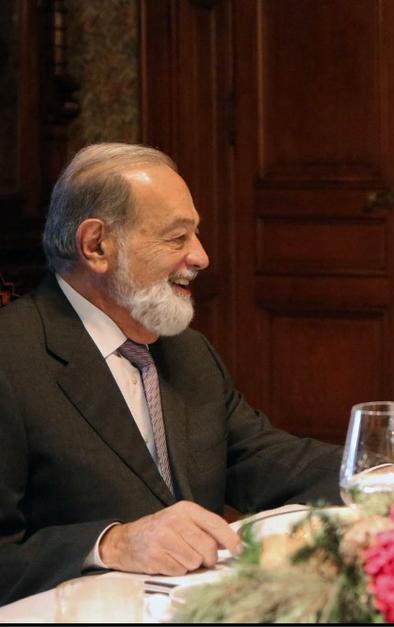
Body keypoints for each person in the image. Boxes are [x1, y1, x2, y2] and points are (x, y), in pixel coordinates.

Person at [0, 144, 344, 604]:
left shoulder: (186, 350)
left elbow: (258, 458)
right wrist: (111, 544)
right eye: (177, 238)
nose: (201, 257)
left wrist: (389, 473)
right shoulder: (12, 360)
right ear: (96, 246)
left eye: (195, 235)